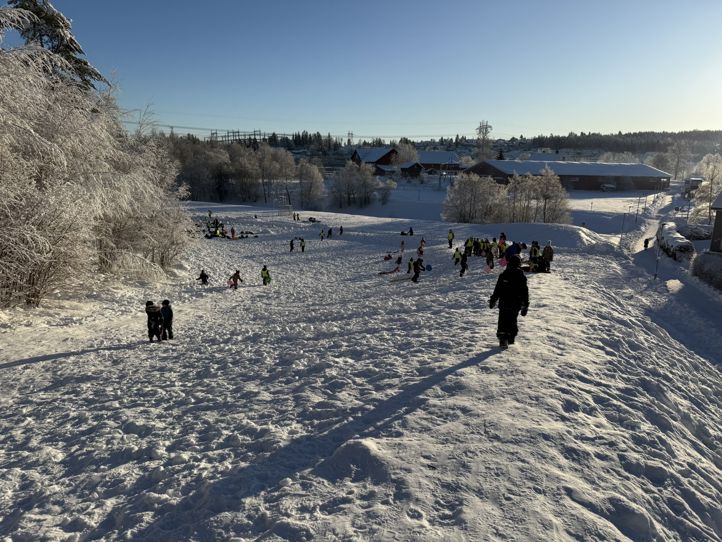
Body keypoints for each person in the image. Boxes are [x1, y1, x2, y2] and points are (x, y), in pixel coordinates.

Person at [489, 255, 529, 349]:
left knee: (503, 320)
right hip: (515, 303)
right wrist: (525, 305)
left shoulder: (504, 275)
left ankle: (503, 338)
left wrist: (493, 300)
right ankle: (510, 337)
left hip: (504, 302)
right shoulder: (521, 276)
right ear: (518, 264)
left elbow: (497, 290)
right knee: (512, 319)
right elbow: (525, 292)